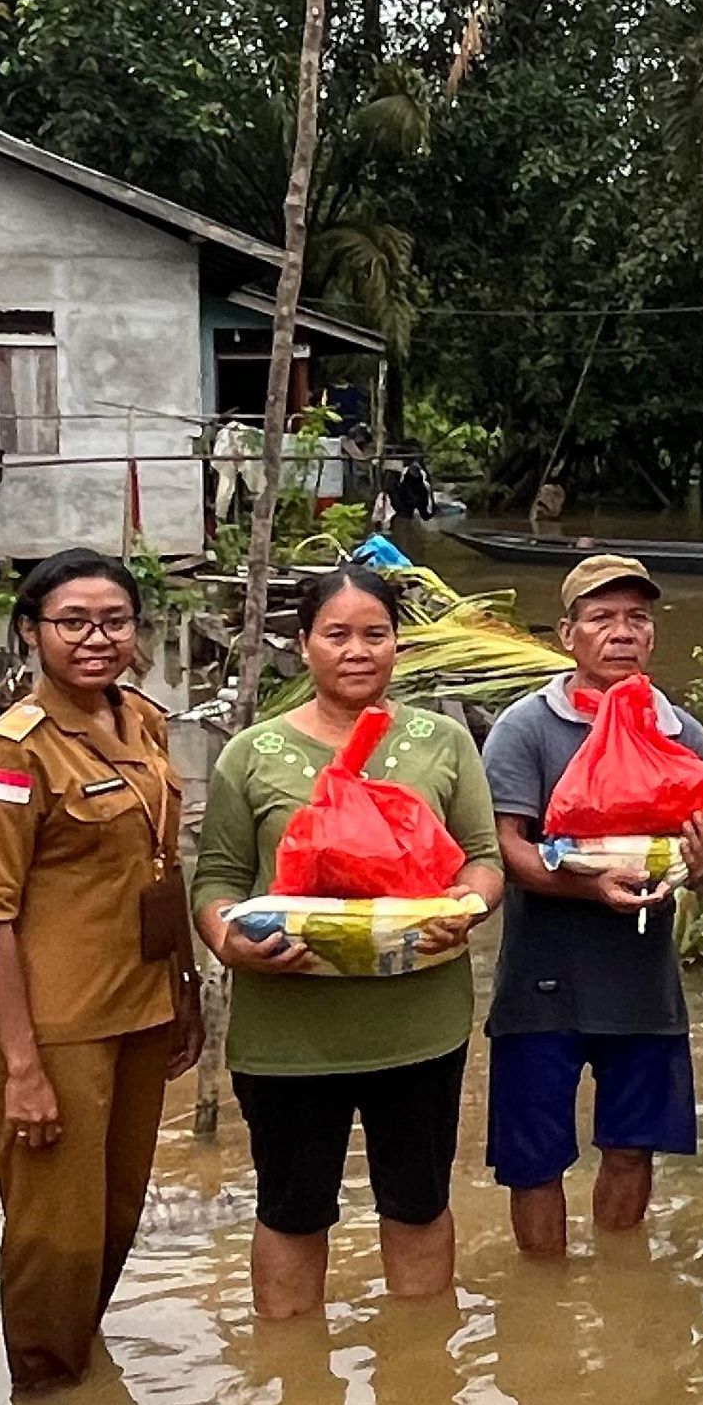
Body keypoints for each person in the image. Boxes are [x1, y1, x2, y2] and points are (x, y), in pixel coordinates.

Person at [194, 561, 500, 1320]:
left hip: (417, 1021)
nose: (358, 650)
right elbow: (216, 882)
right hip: (290, 1030)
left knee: (419, 1203)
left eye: (376, 634)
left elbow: (483, 858)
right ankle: (296, 1395)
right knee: (292, 1210)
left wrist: (466, 906)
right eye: (337, 634)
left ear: (399, 645)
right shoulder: (253, 754)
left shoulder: (443, 744)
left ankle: (421, 1391)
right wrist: (230, 945)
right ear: (304, 645)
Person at [0, 550, 201, 1393]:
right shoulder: (12, 753)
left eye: (115, 621)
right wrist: (22, 1066)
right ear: (31, 632)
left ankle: (80, 1371)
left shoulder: (142, 719)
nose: (96, 639)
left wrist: (186, 989)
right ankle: (47, 1401)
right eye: (72, 622)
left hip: (140, 1005)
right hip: (56, 1023)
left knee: (116, 1215)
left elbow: (160, 866)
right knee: (54, 1232)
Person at [479, 556, 703, 1257]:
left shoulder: (679, 732)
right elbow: (506, 849)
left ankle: (621, 1293)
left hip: (643, 982)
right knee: (534, 1162)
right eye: (602, 618)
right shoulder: (527, 728)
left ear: (652, 635)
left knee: (632, 1148)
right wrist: (587, 884)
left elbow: (696, 861)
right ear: (568, 634)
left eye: (637, 619)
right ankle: (545, 1309)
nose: (622, 632)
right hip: (543, 982)